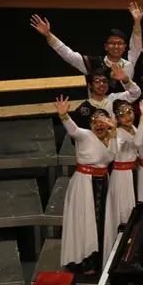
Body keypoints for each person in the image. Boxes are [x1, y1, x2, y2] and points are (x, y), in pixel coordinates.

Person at [55, 95, 116, 274]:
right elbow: (73, 131)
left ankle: (99, 260)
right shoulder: (84, 136)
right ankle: (84, 261)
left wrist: (113, 131)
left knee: (101, 222)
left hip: (103, 183)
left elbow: (111, 156)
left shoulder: (112, 138)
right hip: (84, 185)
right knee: (85, 223)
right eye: (94, 121)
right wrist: (64, 116)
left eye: (102, 121)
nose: (98, 124)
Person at [30, 14, 132, 94]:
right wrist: (49, 35)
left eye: (119, 43)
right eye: (112, 43)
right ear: (105, 46)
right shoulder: (93, 63)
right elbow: (68, 54)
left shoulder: (129, 65)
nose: (116, 46)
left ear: (124, 47)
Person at [102, 100, 138, 263]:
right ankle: (116, 259)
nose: (127, 117)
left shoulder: (134, 129)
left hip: (132, 174)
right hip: (122, 176)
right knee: (123, 214)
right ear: (116, 118)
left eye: (129, 112)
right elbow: (112, 151)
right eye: (122, 115)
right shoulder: (118, 133)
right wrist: (114, 130)